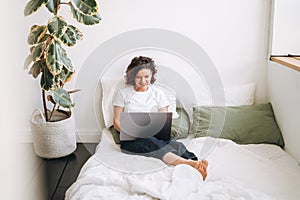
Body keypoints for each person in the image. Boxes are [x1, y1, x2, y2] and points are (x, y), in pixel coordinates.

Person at [113, 56, 208, 180]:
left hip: (154, 136)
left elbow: (163, 120)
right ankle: (190, 164)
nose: (143, 81)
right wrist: (134, 132)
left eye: (146, 77)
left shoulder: (158, 94)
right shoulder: (123, 94)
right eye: (138, 77)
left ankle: (196, 162)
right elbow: (116, 122)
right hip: (131, 140)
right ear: (132, 77)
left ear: (151, 75)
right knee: (150, 142)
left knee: (176, 145)